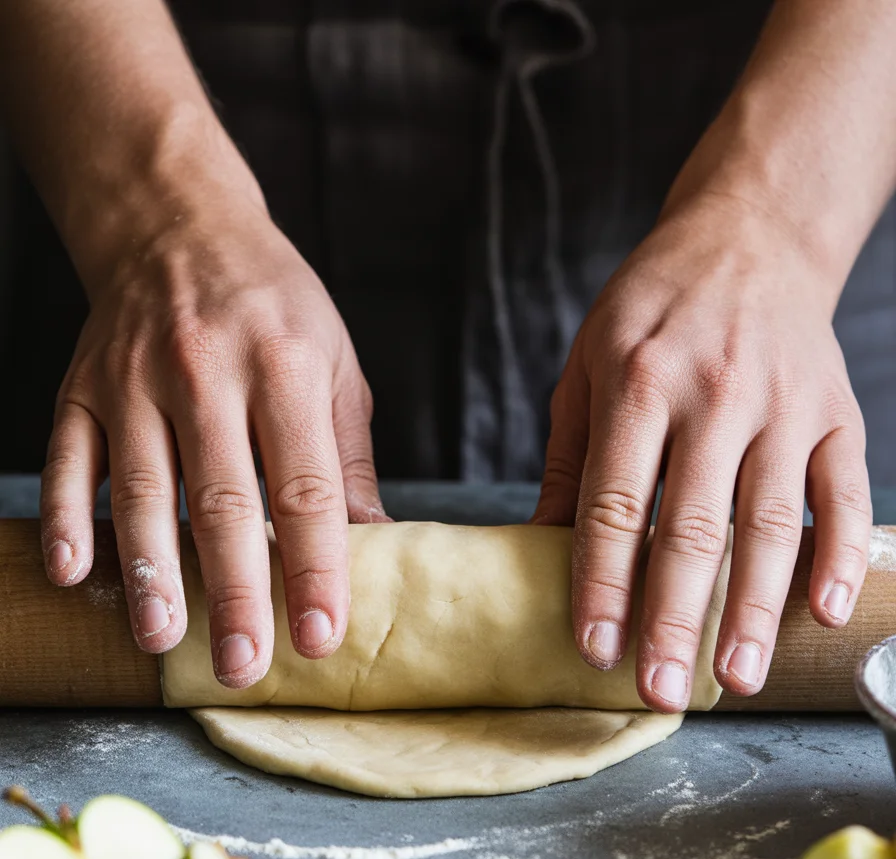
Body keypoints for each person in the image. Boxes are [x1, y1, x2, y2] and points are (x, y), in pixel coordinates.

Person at [0, 0, 890, 713]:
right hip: (158, 98)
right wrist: (155, 210)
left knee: (761, 530)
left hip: (791, 121)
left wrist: (775, 221)